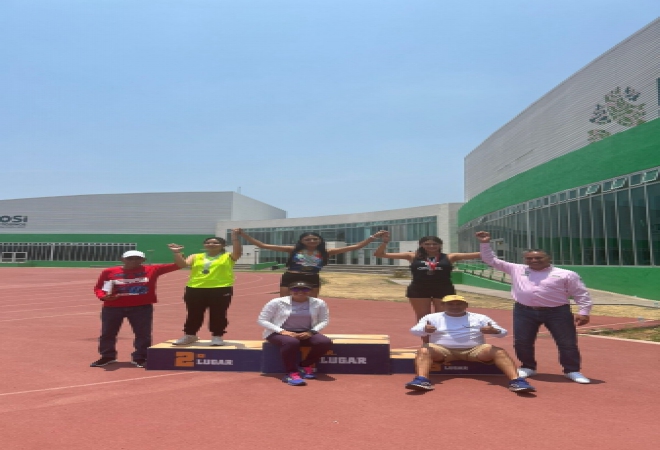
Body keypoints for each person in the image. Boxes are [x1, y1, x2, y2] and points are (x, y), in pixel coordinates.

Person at [475, 231, 592, 384]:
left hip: (557, 312)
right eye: (529, 258)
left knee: (567, 342)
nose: (534, 260)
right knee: (522, 341)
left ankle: (572, 370)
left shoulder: (566, 274)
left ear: (549, 258)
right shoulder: (517, 269)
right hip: (524, 311)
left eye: (538, 258)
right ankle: (528, 367)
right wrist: (485, 243)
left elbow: (580, 293)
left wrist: (584, 311)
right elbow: (490, 260)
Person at [406, 295, 536, 393]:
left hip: (475, 350)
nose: (455, 306)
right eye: (450, 304)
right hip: (442, 350)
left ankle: (516, 381)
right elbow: (414, 330)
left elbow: (502, 332)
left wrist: (494, 331)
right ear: (443, 305)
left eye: (459, 304)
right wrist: (424, 329)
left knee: (499, 351)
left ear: (466, 305)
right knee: (424, 350)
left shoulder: (480, 318)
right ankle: (422, 380)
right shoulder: (432, 318)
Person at [91, 247, 182, 368]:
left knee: (143, 334)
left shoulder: (152, 269)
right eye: (130, 258)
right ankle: (107, 356)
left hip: (141, 308)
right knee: (108, 333)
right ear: (122, 259)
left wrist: (176, 252)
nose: (133, 261)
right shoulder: (109, 271)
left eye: (137, 258)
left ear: (143, 260)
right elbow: (99, 288)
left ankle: (140, 357)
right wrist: (103, 297)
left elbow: (179, 265)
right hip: (113, 308)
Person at [238, 229, 387, 297]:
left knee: (312, 303)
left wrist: (374, 237)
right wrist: (243, 235)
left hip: (312, 277)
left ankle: (308, 327)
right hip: (291, 277)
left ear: (320, 240)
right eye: (308, 239)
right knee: (284, 302)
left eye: (315, 239)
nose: (312, 241)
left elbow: (356, 247)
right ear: (302, 241)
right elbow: (263, 245)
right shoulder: (292, 249)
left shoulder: (327, 252)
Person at [374, 232, 480, 325]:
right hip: (419, 289)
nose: (431, 246)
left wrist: (484, 242)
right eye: (427, 244)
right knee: (423, 318)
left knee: (443, 317)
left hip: (443, 289)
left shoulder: (450, 257)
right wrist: (385, 242)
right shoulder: (412, 256)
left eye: (435, 244)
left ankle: (441, 339)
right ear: (421, 245)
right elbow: (379, 254)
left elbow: (482, 254)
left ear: (440, 245)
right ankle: (426, 340)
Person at [170, 231, 242, 346]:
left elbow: (238, 252)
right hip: (195, 288)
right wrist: (176, 252)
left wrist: (235, 237)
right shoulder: (195, 256)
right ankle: (190, 335)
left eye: (215, 243)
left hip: (220, 289)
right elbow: (182, 265)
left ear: (223, 245)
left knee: (218, 313)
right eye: (208, 243)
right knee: (193, 313)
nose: (211, 244)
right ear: (204, 245)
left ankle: (217, 336)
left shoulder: (228, 256)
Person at [257, 281, 332, 386]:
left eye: (305, 289)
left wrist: (311, 332)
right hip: (278, 332)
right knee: (291, 342)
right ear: (290, 291)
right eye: (296, 289)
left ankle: (305, 365)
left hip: (306, 332)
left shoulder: (319, 303)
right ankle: (291, 373)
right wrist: (282, 331)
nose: (300, 292)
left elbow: (324, 320)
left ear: (310, 291)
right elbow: (262, 320)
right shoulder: (276, 302)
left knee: (324, 342)